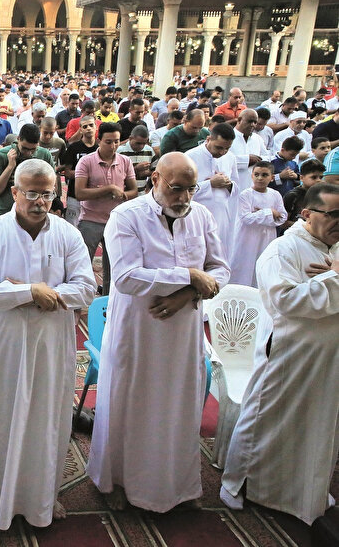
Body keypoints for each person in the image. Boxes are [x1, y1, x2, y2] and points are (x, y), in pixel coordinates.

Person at [0, 159, 95, 529]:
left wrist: (17, 291)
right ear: (14, 192)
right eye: (31, 193)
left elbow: (86, 287)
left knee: (45, 419)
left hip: (50, 344)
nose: (39, 201)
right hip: (2, 345)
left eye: (47, 194)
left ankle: (40, 498)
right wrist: (32, 291)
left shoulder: (68, 234)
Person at [87, 152, 230, 513]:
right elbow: (125, 277)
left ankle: (174, 486)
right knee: (130, 405)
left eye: (191, 189)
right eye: (176, 188)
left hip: (183, 332)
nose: (183, 197)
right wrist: (189, 276)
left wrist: (188, 292)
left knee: (176, 406)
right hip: (138, 329)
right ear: (155, 179)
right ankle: (115, 480)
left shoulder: (202, 215)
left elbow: (221, 269)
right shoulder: (126, 216)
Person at [220, 183, 339, 526]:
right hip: (290, 353)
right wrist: (334, 281)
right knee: (264, 420)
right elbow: (286, 301)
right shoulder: (283, 250)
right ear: (307, 214)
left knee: (317, 426)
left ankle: (304, 490)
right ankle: (238, 484)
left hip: (328, 358)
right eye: (333, 214)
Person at [75, 122, 138, 295]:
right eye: (108, 142)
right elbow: (79, 193)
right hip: (90, 220)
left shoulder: (124, 161)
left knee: (113, 264)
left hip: (116, 220)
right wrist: (108, 189)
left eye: (117, 142)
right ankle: (80, 298)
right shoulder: (86, 161)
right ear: (99, 140)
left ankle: (108, 301)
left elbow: (133, 191)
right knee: (82, 263)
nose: (113, 146)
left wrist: (123, 195)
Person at [228, 161, 287, 286]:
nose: (260, 178)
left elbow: (282, 217)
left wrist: (261, 214)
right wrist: (269, 212)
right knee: (244, 266)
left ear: (272, 177)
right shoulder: (246, 195)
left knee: (262, 264)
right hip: (247, 238)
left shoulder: (275, 195)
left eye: (264, 175)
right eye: (257, 174)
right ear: (252, 176)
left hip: (266, 238)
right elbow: (246, 218)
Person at [185, 123, 240, 250]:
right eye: (219, 147)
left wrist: (228, 184)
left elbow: (237, 187)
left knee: (219, 252)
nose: (223, 152)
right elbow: (182, 191)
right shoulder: (190, 157)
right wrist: (209, 184)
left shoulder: (230, 158)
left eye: (227, 148)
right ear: (208, 139)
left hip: (221, 215)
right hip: (195, 216)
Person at [0, 123, 56, 218]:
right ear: (18, 138)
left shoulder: (44, 155)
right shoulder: (2, 155)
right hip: (6, 213)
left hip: (35, 213)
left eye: (33, 150)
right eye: (25, 148)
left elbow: (52, 187)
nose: (28, 153)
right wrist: (10, 167)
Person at [60, 114, 99, 225]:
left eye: (91, 125)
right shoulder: (73, 148)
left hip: (94, 196)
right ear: (80, 130)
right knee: (72, 226)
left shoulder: (99, 149)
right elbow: (67, 172)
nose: (88, 128)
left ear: (96, 127)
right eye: (85, 126)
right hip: (74, 195)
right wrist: (87, 175)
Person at [230, 109, 265, 194]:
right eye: (250, 121)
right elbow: (222, 160)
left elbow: (266, 157)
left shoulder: (257, 139)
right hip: (232, 189)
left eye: (255, 122)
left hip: (252, 188)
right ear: (239, 120)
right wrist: (246, 160)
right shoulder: (229, 137)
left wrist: (259, 161)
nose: (253, 125)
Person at [283, 158, 325, 226]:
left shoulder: (322, 195)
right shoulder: (293, 195)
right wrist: (307, 226)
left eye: (321, 177)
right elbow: (283, 223)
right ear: (301, 178)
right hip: (295, 233)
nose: (318, 180)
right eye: (314, 177)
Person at [116, 125, 154, 191]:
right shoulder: (119, 151)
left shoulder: (149, 150)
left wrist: (147, 173)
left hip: (142, 193)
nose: (141, 146)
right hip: (124, 193)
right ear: (130, 138)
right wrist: (136, 169)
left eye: (144, 143)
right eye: (138, 143)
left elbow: (156, 171)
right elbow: (116, 175)